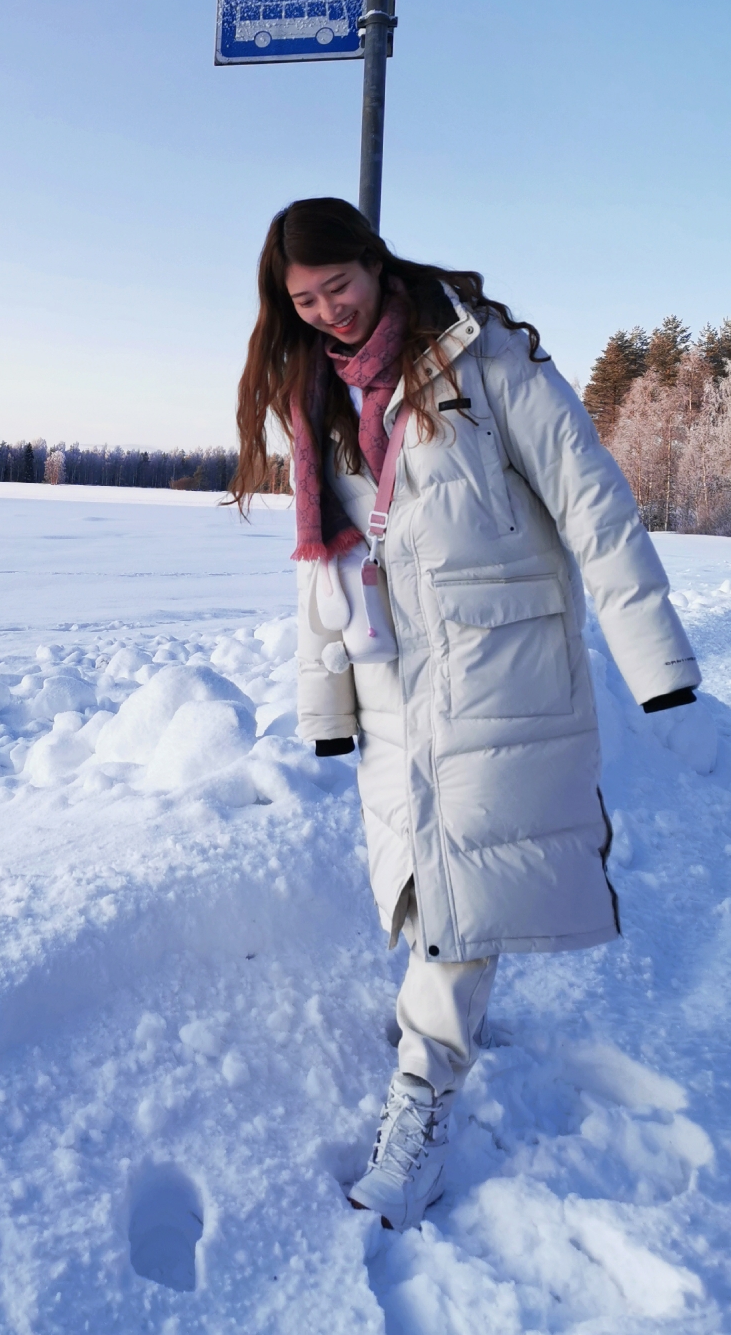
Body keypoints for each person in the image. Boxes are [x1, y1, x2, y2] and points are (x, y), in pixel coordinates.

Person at [231, 197, 699, 1231]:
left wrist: (655, 659)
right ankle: (438, 1033)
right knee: (422, 883)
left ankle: (422, 1106)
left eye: (338, 287)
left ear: (372, 259)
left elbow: (592, 500)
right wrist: (327, 697)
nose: (327, 313)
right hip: (395, 681)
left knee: (456, 897)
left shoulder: (483, 362)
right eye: (304, 302)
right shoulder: (311, 396)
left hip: (502, 672)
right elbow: (322, 570)